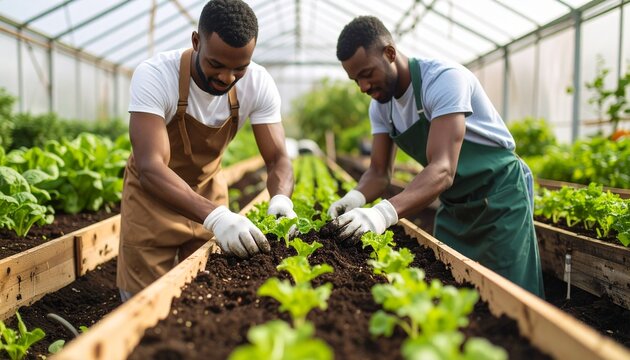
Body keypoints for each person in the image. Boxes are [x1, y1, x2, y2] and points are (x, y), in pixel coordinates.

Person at [328, 16, 544, 297]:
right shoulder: (382, 107)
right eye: (356, 79)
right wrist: (354, 198)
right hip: (454, 204)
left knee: (511, 295)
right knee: (451, 289)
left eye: (367, 73)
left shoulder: (443, 79)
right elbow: (379, 173)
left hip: (499, 196)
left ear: (390, 53)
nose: (363, 87)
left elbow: (442, 169)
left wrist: (381, 215)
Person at [116, 0, 295, 301]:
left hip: (209, 193)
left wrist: (280, 199)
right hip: (153, 201)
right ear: (196, 41)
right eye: (216, 65)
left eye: (239, 68)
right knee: (140, 304)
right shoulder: (156, 75)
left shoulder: (259, 82)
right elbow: (150, 166)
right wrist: (217, 218)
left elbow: (278, 158)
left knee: (205, 298)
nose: (227, 78)